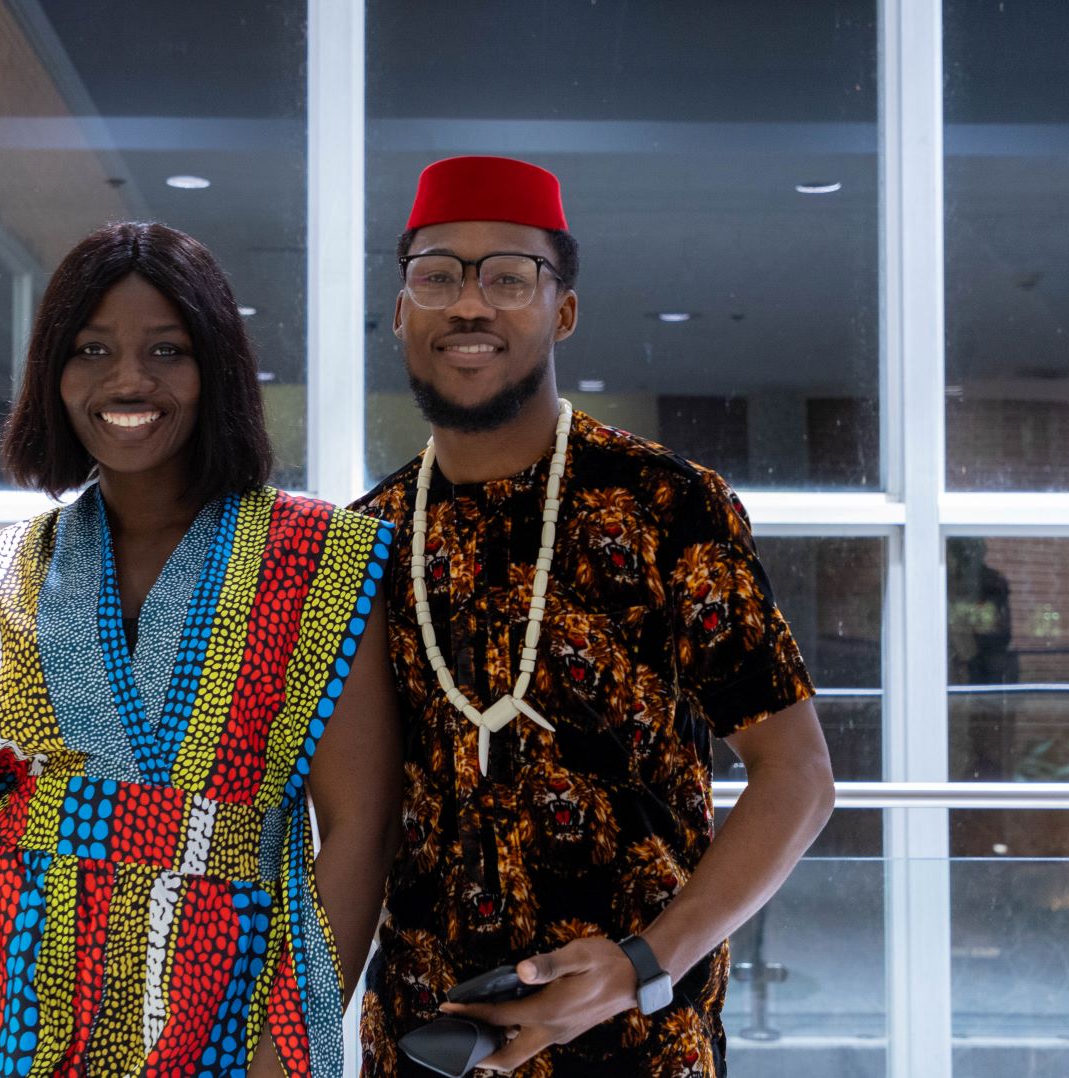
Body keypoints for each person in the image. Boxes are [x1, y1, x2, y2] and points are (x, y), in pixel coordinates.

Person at [0, 221, 400, 1078]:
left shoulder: (320, 558)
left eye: (166, 350)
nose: (128, 378)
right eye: (91, 349)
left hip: (220, 1000)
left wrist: (284, 1057)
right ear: (53, 376)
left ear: (215, 370)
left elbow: (361, 827)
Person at [353, 157, 836, 1076]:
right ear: (403, 309)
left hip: (641, 1044)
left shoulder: (667, 507)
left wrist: (641, 966)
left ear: (562, 310)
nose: (469, 305)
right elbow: (351, 816)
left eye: (508, 276)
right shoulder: (366, 541)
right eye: (438, 275)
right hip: (421, 1048)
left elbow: (799, 777)